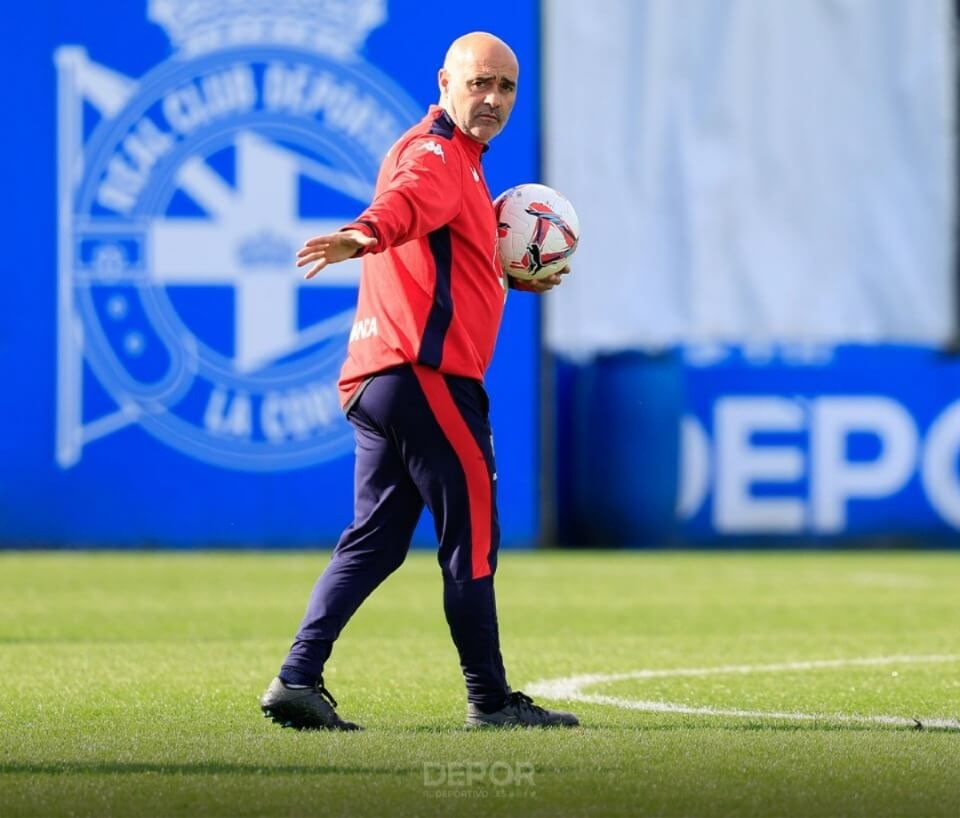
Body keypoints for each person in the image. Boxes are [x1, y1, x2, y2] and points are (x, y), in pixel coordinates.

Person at [259, 32, 578, 730]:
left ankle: (297, 679)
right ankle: (490, 701)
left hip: (379, 379)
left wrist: (504, 276)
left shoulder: (460, 160)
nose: (493, 99)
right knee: (474, 534)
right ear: (444, 80)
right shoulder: (436, 153)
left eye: (507, 88)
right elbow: (405, 205)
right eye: (479, 83)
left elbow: (440, 251)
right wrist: (362, 234)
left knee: (375, 540)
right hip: (423, 377)